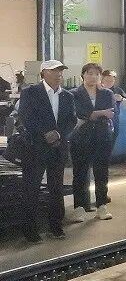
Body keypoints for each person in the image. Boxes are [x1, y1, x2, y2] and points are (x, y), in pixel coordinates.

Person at [17, 60, 76, 241]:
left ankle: (56, 226)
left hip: (58, 148)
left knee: (56, 188)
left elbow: (71, 120)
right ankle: (30, 231)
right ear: (44, 73)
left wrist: (58, 134)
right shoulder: (30, 93)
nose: (59, 74)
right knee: (31, 188)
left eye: (61, 71)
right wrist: (44, 134)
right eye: (54, 71)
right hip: (35, 147)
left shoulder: (67, 96)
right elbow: (26, 117)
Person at [69, 63, 116, 222]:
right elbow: (77, 113)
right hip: (80, 138)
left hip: (102, 137)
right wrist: (98, 113)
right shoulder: (74, 94)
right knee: (80, 173)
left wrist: (91, 115)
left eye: (96, 74)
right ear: (83, 75)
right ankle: (79, 208)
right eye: (89, 73)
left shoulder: (107, 93)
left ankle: (101, 206)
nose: (93, 77)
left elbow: (111, 113)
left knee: (101, 173)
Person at [101, 69, 126, 138]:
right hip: (100, 121)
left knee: (113, 138)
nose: (109, 83)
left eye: (111, 81)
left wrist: (121, 99)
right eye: (107, 80)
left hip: (114, 120)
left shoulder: (117, 90)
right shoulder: (98, 89)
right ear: (102, 80)